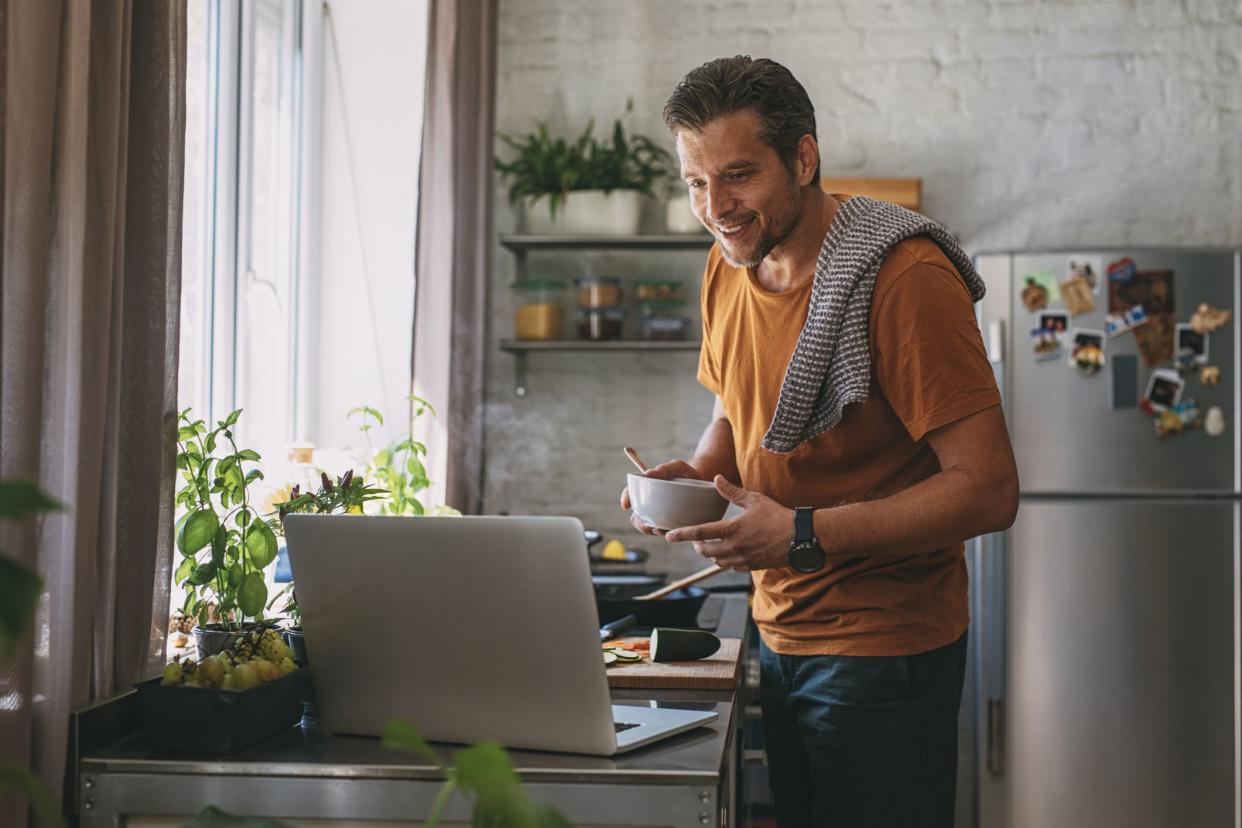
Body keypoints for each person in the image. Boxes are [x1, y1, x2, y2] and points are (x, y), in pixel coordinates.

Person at [620, 56, 1019, 827]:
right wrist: (693, 480)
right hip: (778, 630)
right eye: (697, 182)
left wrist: (800, 532)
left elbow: (989, 487)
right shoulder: (726, 266)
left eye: (737, 175)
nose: (715, 206)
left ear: (803, 157)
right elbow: (737, 418)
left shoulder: (903, 275)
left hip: (885, 649)